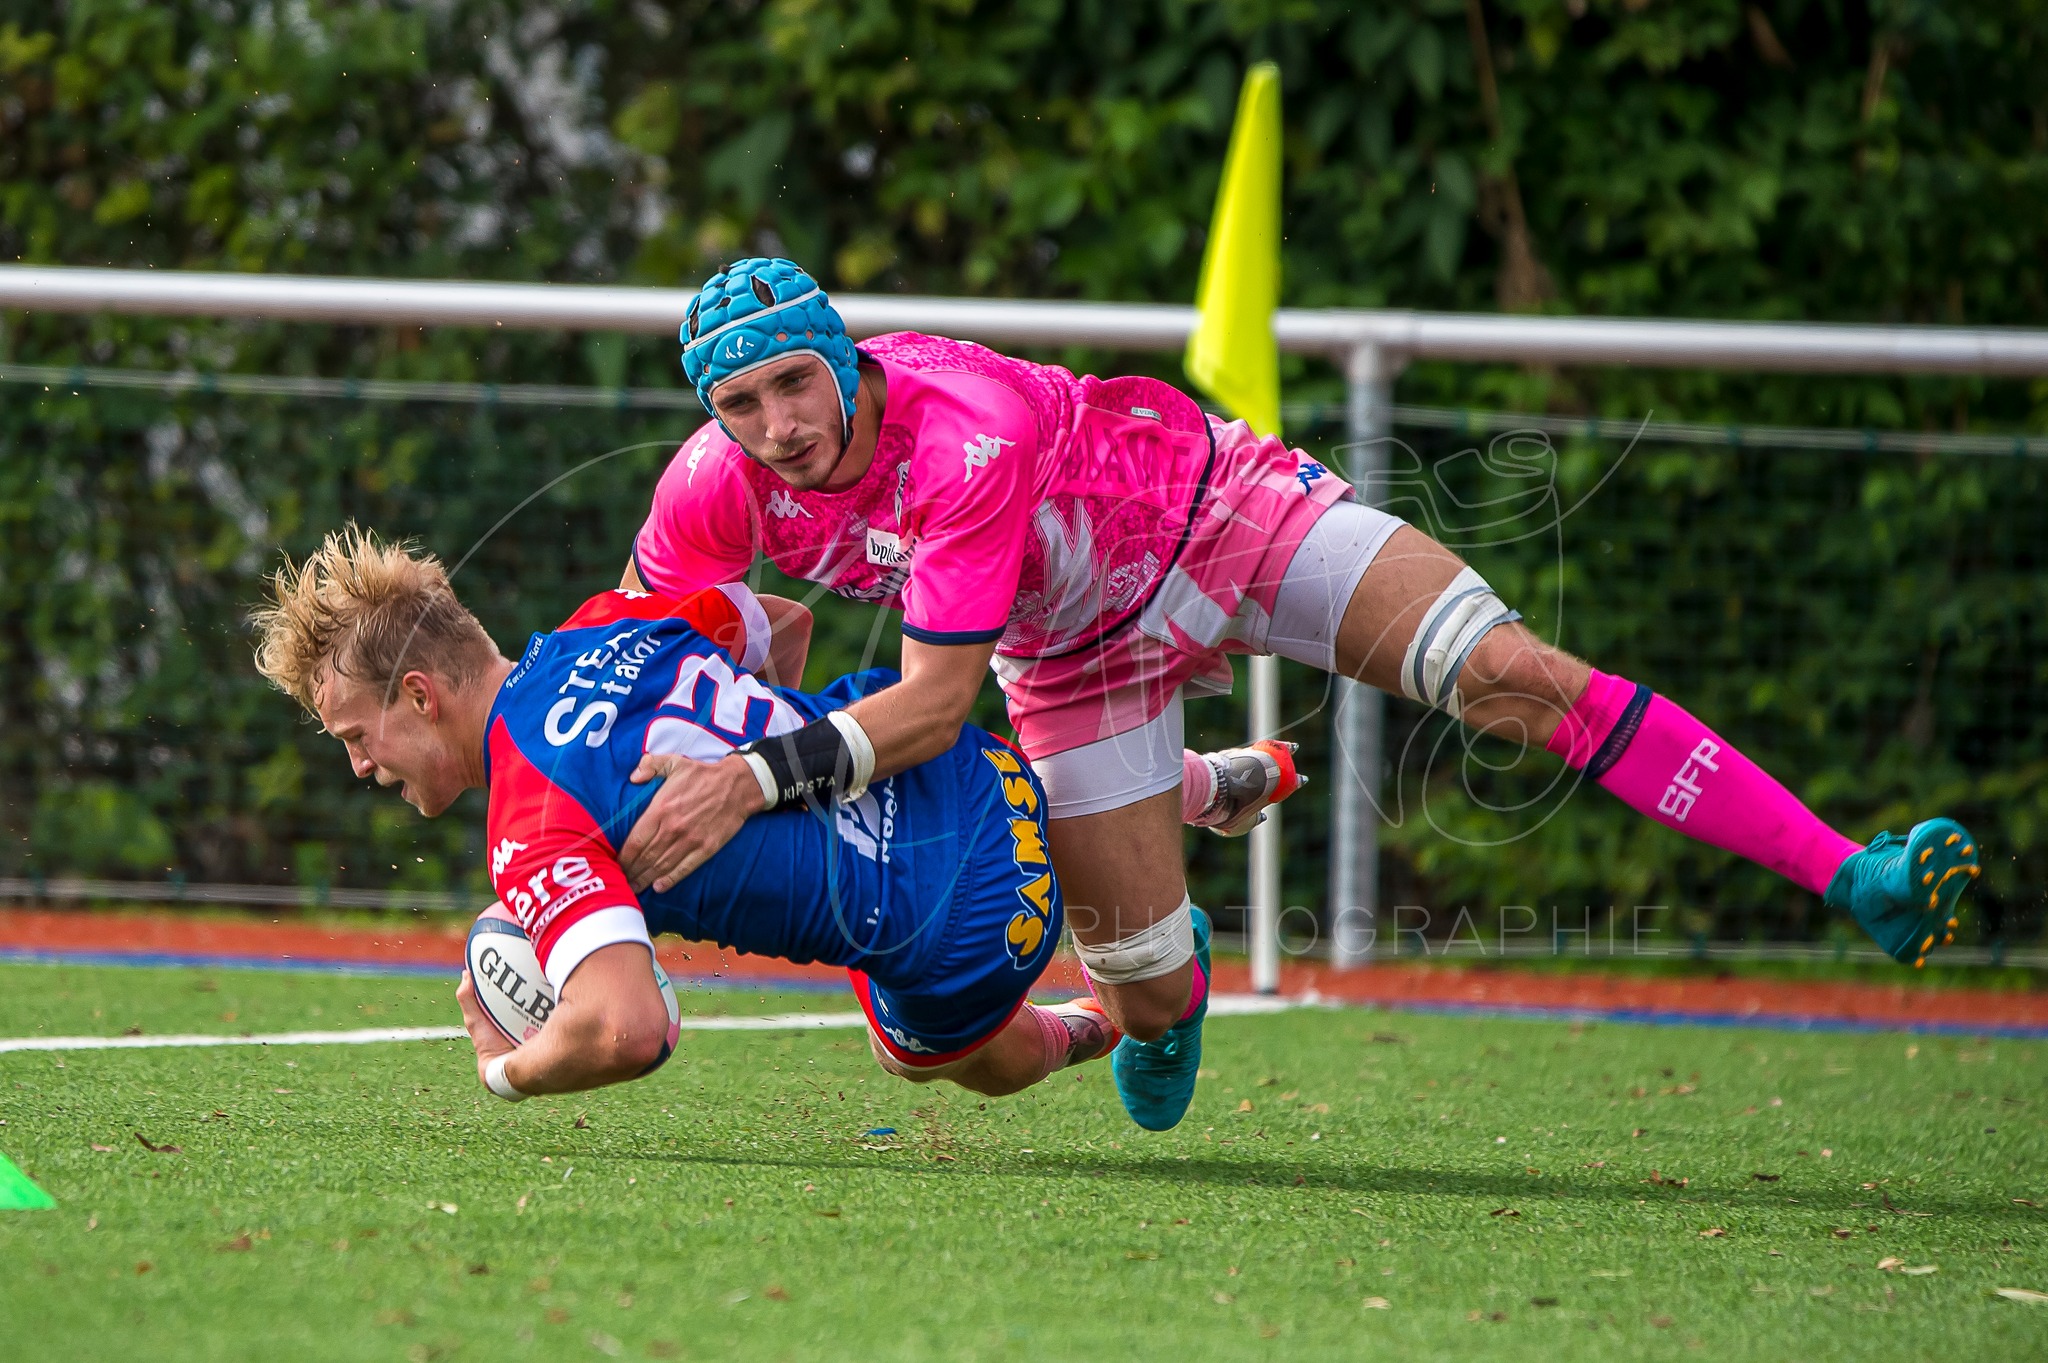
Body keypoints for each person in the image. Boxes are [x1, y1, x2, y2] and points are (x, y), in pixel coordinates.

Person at [619, 257, 1983, 1132]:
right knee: (1146, 1001)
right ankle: (1184, 926)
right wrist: (564, 846)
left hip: (1217, 511)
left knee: (1512, 675)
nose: (778, 425)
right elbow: (629, 654)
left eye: (794, 380)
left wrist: (743, 778)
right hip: (1071, 656)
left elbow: (926, 708)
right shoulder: (714, 484)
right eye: (738, 404)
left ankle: (1849, 871)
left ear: (843, 354)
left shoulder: (959, 427)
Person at [248, 526, 1125, 1102]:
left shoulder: (529, 820)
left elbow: (627, 1029)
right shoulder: (606, 618)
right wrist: (769, 791)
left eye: (356, 736)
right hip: (968, 766)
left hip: (976, 932)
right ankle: (1181, 795)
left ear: (418, 694)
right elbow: (779, 625)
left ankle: (1104, 1020)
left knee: (926, 1051)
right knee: (903, 950)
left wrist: (504, 1069)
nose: (360, 765)